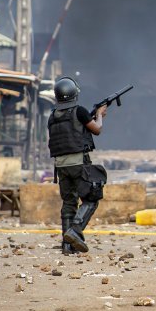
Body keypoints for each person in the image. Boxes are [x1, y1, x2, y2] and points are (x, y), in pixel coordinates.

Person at [47, 76, 108, 255]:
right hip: (79, 163)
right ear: (74, 94)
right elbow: (97, 129)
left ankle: (67, 246)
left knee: (69, 202)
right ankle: (75, 230)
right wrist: (99, 115)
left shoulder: (52, 116)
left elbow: (71, 131)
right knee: (91, 198)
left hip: (60, 166)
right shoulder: (79, 111)